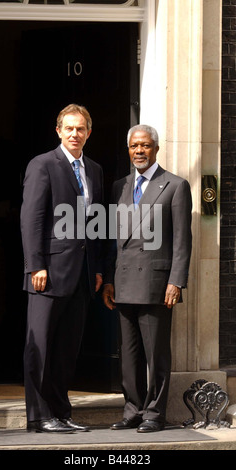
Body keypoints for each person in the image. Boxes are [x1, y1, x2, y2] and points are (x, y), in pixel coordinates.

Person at [103, 124, 192, 433]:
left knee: (156, 355)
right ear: (128, 150)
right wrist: (110, 279)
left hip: (157, 285)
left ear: (156, 148)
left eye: (144, 146)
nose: (139, 151)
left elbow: (182, 239)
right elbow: (113, 238)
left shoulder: (175, 185)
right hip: (124, 283)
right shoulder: (120, 186)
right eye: (133, 146)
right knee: (128, 356)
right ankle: (132, 410)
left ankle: (154, 414)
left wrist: (176, 281)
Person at [21, 104, 103, 433]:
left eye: (80, 128)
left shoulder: (94, 169)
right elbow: (32, 220)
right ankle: (39, 416)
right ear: (58, 131)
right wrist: (35, 265)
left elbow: (95, 222)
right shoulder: (42, 165)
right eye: (68, 128)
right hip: (48, 274)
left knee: (67, 349)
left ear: (88, 132)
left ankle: (60, 412)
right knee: (39, 346)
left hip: (81, 275)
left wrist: (96, 268)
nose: (74, 134)